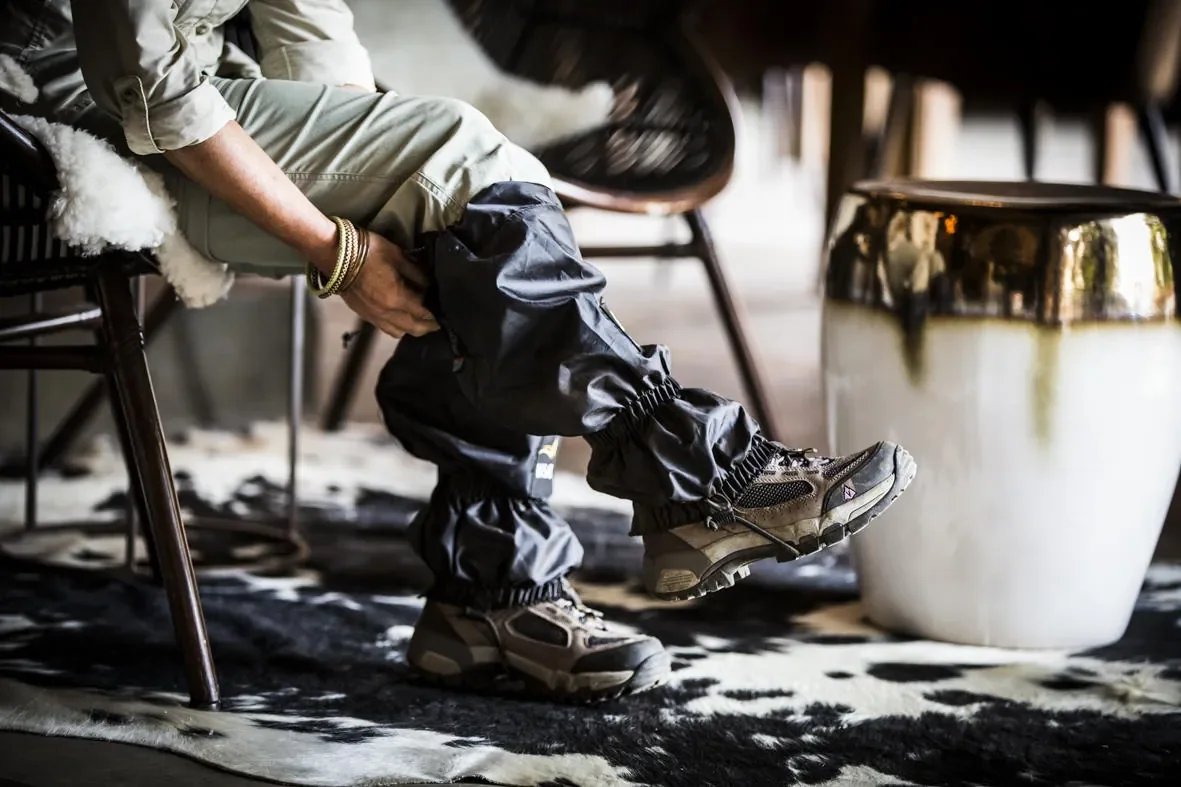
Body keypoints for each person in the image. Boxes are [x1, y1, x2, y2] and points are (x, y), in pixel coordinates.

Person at [1, 0, 916, 702]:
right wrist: (339, 250)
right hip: (70, 107)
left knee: (465, 203)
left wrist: (379, 189)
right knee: (456, 163)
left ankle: (493, 603)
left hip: (195, 87)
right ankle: (686, 483)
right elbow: (148, 81)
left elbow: (307, 30)